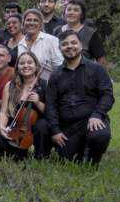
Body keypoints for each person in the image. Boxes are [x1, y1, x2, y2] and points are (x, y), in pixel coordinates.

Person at [46, 30, 114, 165]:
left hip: (91, 120)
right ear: (60, 49)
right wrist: (55, 130)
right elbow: (51, 105)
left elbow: (107, 95)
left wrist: (97, 114)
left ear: (81, 45)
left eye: (73, 43)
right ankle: (80, 150)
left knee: (99, 136)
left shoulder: (97, 69)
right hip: (68, 126)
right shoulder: (55, 75)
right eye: (64, 44)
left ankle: (93, 160)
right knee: (68, 161)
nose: (69, 46)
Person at [0, 51, 51, 160]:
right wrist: (1, 127)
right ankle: (20, 153)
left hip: (36, 128)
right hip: (18, 125)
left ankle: (40, 156)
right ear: (17, 67)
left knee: (42, 125)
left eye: (30, 63)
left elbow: (50, 112)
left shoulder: (45, 84)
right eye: (22, 63)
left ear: (36, 65)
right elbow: (3, 112)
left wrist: (37, 102)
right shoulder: (10, 86)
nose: (26, 66)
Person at [53, 0, 107, 66]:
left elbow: (101, 59)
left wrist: (101, 75)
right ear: (64, 12)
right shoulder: (57, 31)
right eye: (69, 9)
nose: (71, 12)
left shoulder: (90, 32)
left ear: (81, 15)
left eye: (76, 10)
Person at [17, 9, 63, 82]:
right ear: (23, 23)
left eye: (35, 20)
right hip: (27, 86)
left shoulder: (51, 40)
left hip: (50, 85)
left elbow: (59, 66)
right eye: (28, 20)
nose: (31, 23)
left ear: (41, 24)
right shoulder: (21, 44)